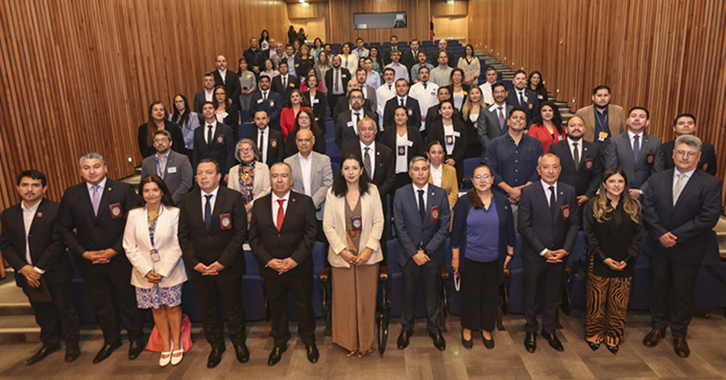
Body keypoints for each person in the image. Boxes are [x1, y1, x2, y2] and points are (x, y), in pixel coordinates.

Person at [56, 153, 144, 363]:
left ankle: (135, 339)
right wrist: (84, 253)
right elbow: (64, 228)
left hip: (119, 258)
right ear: (80, 171)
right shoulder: (71, 194)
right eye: (86, 167)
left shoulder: (123, 190)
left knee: (127, 300)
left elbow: (134, 224)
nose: (92, 171)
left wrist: (115, 250)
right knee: (101, 304)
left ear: (105, 167)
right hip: (89, 261)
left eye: (96, 166)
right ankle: (111, 340)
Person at [641, 135, 723, 358]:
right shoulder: (657, 179)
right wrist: (661, 234)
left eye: (690, 154)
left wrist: (674, 235)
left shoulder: (711, 183)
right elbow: (648, 209)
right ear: (673, 154)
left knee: (683, 293)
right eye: (681, 152)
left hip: (689, 248)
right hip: (659, 246)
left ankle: (679, 333)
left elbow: (708, 218)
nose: (685, 157)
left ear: (698, 158)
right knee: (657, 288)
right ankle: (658, 327)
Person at [0, 170, 80, 365]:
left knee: (65, 309)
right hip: (25, 274)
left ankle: (72, 344)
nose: (30, 189)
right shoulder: (9, 214)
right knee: (41, 310)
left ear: (44, 188)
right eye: (25, 185)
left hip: (54, 271)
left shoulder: (56, 209)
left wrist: (38, 269)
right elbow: (5, 245)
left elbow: (58, 242)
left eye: (35, 185)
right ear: (18, 188)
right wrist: (23, 268)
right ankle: (50, 342)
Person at [178, 159, 249, 368]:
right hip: (200, 268)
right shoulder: (188, 200)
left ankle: (239, 343)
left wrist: (222, 263)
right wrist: (195, 263)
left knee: (233, 308)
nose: (203, 176)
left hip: (228, 266)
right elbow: (183, 236)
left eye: (209, 172)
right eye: (200, 173)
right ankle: (216, 346)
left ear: (219, 176)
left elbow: (239, 234)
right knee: (208, 310)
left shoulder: (234, 198)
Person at [249, 162, 320, 365]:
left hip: (298, 267)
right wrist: (269, 261)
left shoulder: (304, 202)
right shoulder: (260, 204)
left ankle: (309, 340)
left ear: (291, 180)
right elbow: (253, 238)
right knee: (277, 307)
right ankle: (279, 341)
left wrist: (294, 259)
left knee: (304, 305)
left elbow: (311, 234)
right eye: (275, 176)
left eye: (283, 176)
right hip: (272, 269)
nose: (279, 180)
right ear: (269, 180)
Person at [322, 153, 385, 357]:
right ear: (341, 171)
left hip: (368, 254)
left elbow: (379, 222)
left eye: (354, 168)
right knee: (345, 300)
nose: (350, 172)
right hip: (343, 255)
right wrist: (342, 251)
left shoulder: (372, 191)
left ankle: (365, 343)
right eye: (346, 168)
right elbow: (328, 225)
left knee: (366, 300)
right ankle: (348, 342)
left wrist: (368, 249)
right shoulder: (333, 192)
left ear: (361, 170)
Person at [123, 175, 188, 367]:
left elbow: (178, 244)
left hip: (170, 270)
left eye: (155, 190)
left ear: (162, 192)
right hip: (144, 273)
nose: (151, 194)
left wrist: (163, 270)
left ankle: (176, 343)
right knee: (156, 308)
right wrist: (146, 271)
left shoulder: (174, 213)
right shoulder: (134, 215)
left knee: (172, 307)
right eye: (146, 190)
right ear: (141, 194)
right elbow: (129, 245)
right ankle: (165, 345)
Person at [518, 153, 579, 353]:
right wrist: (543, 251)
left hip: (560, 255)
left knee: (553, 296)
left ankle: (549, 330)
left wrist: (565, 250)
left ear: (560, 169)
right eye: (546, 167)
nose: (550, 171)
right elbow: (524, 227)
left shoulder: (568, 191)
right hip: (535, 255)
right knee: (532, 296)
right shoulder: (529, 192)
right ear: (539, 170)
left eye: (554, 167)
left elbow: (573, 225)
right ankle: (531, 330)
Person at [451, 164, 515, 349]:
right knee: (470, 296)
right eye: (478, 177)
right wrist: (455, 258)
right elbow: (456, 234)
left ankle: (487, 328)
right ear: (472, 181)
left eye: (486, 176)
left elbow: (510, 230)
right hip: (470, 258)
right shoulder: (464, 203)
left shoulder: (502, 201)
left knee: (490, 296)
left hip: (494, 259)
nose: (482, 180)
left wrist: (509, 253)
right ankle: (468, 329)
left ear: (493, 180)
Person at [393, 157, 451, 351]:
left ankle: (434, 329)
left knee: (432, 294)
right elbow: (399, 228)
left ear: (429, 171)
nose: (420, 173)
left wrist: (426, 251)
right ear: (410, 173)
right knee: (408, 293)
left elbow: (444, 227)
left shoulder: (440, 194)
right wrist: (413, 253)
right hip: (408, 256)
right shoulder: (400, 194)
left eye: (424, 169)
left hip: (432, 256)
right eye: (416, 169)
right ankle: (406, 328)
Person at [583, 167, 642, 354]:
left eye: (620, 181)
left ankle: (613, 336)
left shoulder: (633, 206)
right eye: (612, 181)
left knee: (619, 302)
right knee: (596, 301)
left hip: (625, 261)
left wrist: (629, 258)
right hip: (599, 259)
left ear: (625, 184)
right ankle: (593, 334)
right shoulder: (592, 204)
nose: (616, 185)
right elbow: (589, 234)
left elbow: (637, 236)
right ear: (604, 184)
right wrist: (603, 257)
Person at [485, 107, 544, 208]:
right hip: (501, 197)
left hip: (529, 198)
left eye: (522, 118)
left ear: (525, 124)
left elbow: (539, 170)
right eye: (515, 117)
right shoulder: (494, 144)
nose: (518, 120)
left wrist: (522, 191)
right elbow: (491, 171)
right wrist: (511, 191)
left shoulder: (536, 144)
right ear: (508, 121)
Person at [285, 128, 334, 242]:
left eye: (307, 140)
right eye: (300, 140)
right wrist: (302, 205)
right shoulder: (288, 162)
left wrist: (311, 204)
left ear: (313, 141)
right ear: (296, 142)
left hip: (320, 213)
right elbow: (288, 187)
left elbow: (328, 184)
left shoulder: (324, 160)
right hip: (297, 213)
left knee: (321, 249)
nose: (303, 143)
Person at [604, 107, 663, 200]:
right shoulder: (614, 141)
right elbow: (611, 169)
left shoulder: (655, 143)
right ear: (627, 121)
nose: (637, 119)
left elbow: (657, 172)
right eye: (633, 116)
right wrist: (623, 189)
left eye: (641, 116)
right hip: (619, 194)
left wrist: (641, 191)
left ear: (647, 122)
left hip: (645, 196)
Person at [549, 116, 603, 206]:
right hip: (561, 198)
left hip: (586, 200)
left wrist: (588, 195)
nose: (576, 128)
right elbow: (551, 173)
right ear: (566, 129)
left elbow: (598, 174)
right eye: (572, 125)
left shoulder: (593, 148)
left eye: (580, 125)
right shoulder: (555, 148)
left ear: (584, 129)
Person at [140, 130, 193, 206]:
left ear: (170, 143)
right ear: (154, 144)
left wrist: (171, 201)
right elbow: (144, 184)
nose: (160, 143)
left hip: (177, 204)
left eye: (164, 140)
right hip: (154, 204)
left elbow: (186, 183)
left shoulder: (182, 159)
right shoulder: (146, 162)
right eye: (157, 140)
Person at [381, 106, 425, 194]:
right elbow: (383, 151)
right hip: (393, 172)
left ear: (407, 117)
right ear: (394, 117)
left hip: (410, 172)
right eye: (397, 115)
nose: (400, 117)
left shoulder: (414, 132)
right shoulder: (388, 132)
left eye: (402, 115)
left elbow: (420, 151)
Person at [228, 139, 272, 223]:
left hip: (260, 209)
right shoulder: (233, 170)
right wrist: (242, 208)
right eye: (242, 150)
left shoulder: (264, 168)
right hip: (239, 211)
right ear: (238, 153)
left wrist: (250, 206)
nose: (245, 152)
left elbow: (267, 190)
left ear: (254, 151)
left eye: (248, 149)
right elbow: (231, 193)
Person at [575, 85, 626, 152]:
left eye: (605, 95)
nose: (602, 98)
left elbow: (623, 133)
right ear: (593, 97)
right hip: (590, 151)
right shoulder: (582, 113)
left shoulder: (619, 111)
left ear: (610, 97)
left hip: (612, 151)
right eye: (599, 95)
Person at [193, 102, 236, 179]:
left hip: (222, 170)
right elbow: (195, 153)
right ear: (202, 113)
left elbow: (230, 151)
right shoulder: (197, 131)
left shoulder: (225, 129)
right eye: (205, 109)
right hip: (204, 170)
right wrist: (196, 172)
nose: (208, 110)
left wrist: (229, 171)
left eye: (210, 108)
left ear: (215, 111)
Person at [428, 100, 467, 184]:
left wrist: (454, 159)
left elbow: (463, 145)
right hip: (439, 161)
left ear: (453, 110)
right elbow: (432, 145)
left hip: (457, 162)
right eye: (444, 108)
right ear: (439, 111)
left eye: (449, 108)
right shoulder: (434, 127)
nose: (447, 111)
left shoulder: (459, 126)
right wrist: (443, 159)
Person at [477, 82, 512, 158]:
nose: (499, 95)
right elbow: (482, 134)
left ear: (506, 93)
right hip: (490, 153)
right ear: (492, 94)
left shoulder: (513, 111)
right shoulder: (485, 112)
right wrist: (493, 148)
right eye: (496, 92)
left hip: (510, 152)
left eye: (502, 92)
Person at [427, 141, 459, 209]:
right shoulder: (423, 171)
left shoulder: (451, 170)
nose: (437, 156)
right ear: (428, 154)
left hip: (447, 210)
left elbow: (454, 192)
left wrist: (446, 206)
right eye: (433, 152)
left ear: (443, 154)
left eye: (440, 152)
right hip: (427, 210)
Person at [409, 66, 439, 133]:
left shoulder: (435, 87)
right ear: (418, 75)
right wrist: (420, 115)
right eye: (422, 73)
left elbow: (438, 102)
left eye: (426, 73)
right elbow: (411, 104)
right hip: (419, 118)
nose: (424, 75)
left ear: (429, 75)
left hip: (433, 118)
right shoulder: (413, 88)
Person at [461, 86, 484, 158]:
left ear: (481, 95)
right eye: (472, 93)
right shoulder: (464, 109)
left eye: (477, 93)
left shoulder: (487, 108)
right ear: (469, 96)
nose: (475, 95)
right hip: (468, 143)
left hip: (482, 143)